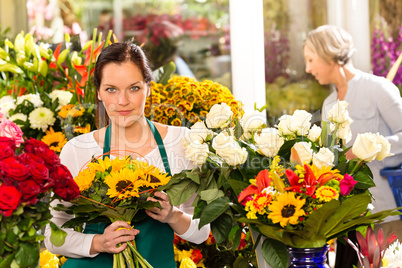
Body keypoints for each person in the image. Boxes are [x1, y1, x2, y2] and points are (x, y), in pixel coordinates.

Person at [44, 41, 210, 267]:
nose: (122, 101)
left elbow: (202, 231)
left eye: (134, 88)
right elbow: (53, 235)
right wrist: (99, 242)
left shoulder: (181, 142)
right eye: (111, 89)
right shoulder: (77, 149)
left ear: (148, 87)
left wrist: (173, 216)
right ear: (99, 93)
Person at [304, 24, 402, 267]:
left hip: (385, 212)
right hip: (347, 218)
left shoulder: (377, 88)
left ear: (329, 54)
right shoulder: (328, 104)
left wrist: (367, 147)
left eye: (311, 59)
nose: (307, 69)